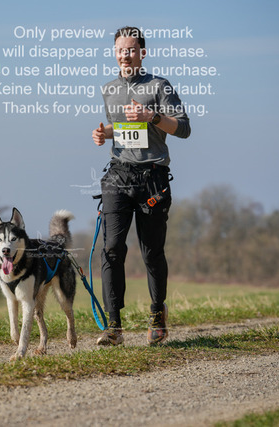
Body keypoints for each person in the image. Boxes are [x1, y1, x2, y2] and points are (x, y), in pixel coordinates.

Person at [91, 26, 191, 345]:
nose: (125, 55)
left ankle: (157, 313)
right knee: (111, 248)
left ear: (142, 53)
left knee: (151, 251)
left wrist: (152, 116)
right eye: (120, 50)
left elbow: (184, 129)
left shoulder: (159, 86)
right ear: (114, 53)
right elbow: (122, 128)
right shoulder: (108, 89)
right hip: (118, 174)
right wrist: (105, 133)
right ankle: (114, 327)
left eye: (131, 49)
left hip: (152, 178)